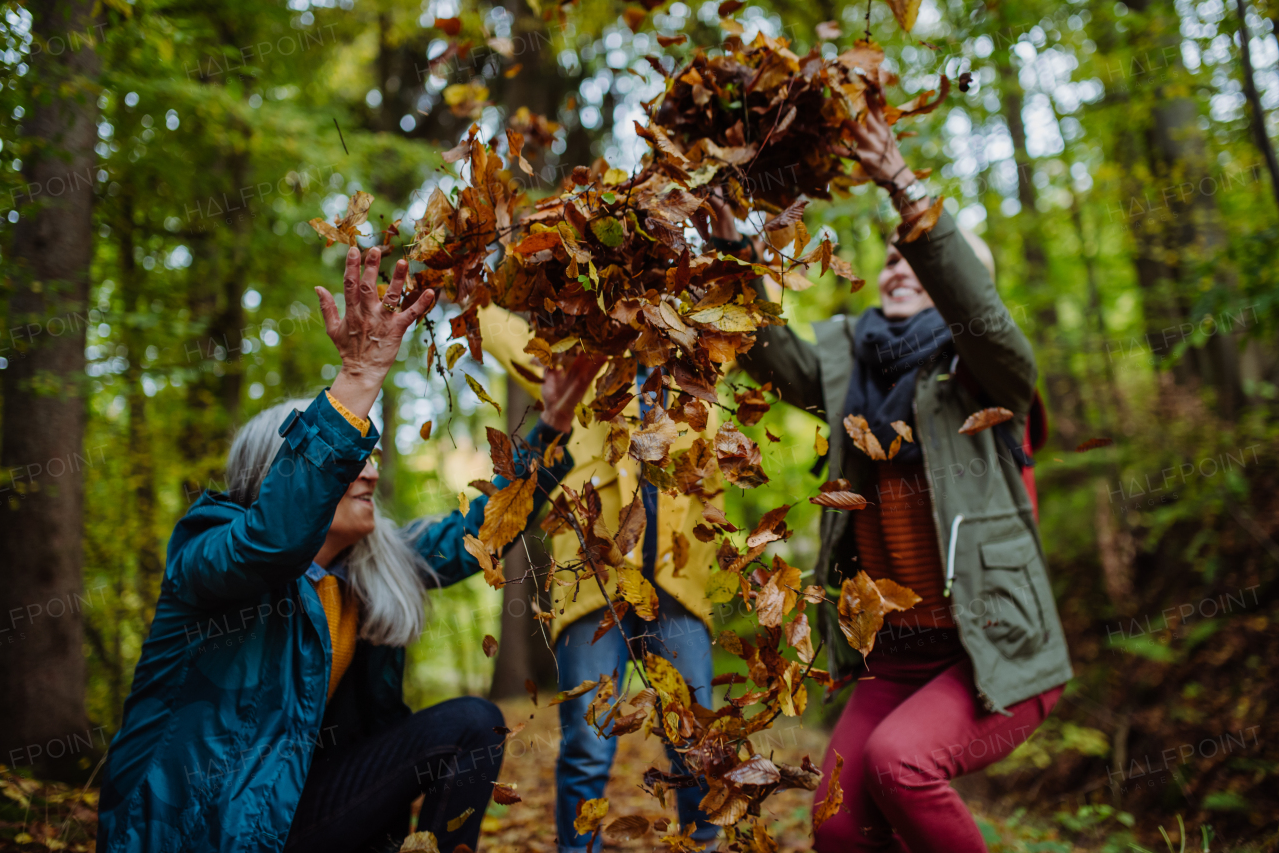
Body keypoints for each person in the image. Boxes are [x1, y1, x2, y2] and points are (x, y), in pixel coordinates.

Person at [96, 246, 601, 853]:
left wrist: (548, 433)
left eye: (365, 459)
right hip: (194, 831)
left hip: (298, 819)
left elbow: (481, 533)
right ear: (275, 478)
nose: (364, 474)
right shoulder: (209, 552)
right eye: (343, 462)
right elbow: (275, 540)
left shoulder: (367, 573)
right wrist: (360, 377)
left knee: (471, 723)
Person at [717, 89, 1072, 852]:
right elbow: (775, 358)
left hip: (992, 650)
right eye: (891, 256)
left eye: (921, 257)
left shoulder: (986, 377)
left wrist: (906, 190)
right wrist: (733, 246)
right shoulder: (852, 362)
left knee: (900, 764)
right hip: (895, 658)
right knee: (837, 825)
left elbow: (986, 323)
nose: (900, 265)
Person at [477, 305, 722, 852]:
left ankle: (702, 845)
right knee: (587, 743)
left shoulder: (698, 365)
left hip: (677, 585)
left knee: (698, 740)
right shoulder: (583, 363)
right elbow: (506, 335)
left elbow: (750, 305)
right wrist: (463, 283)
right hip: (593, 584)